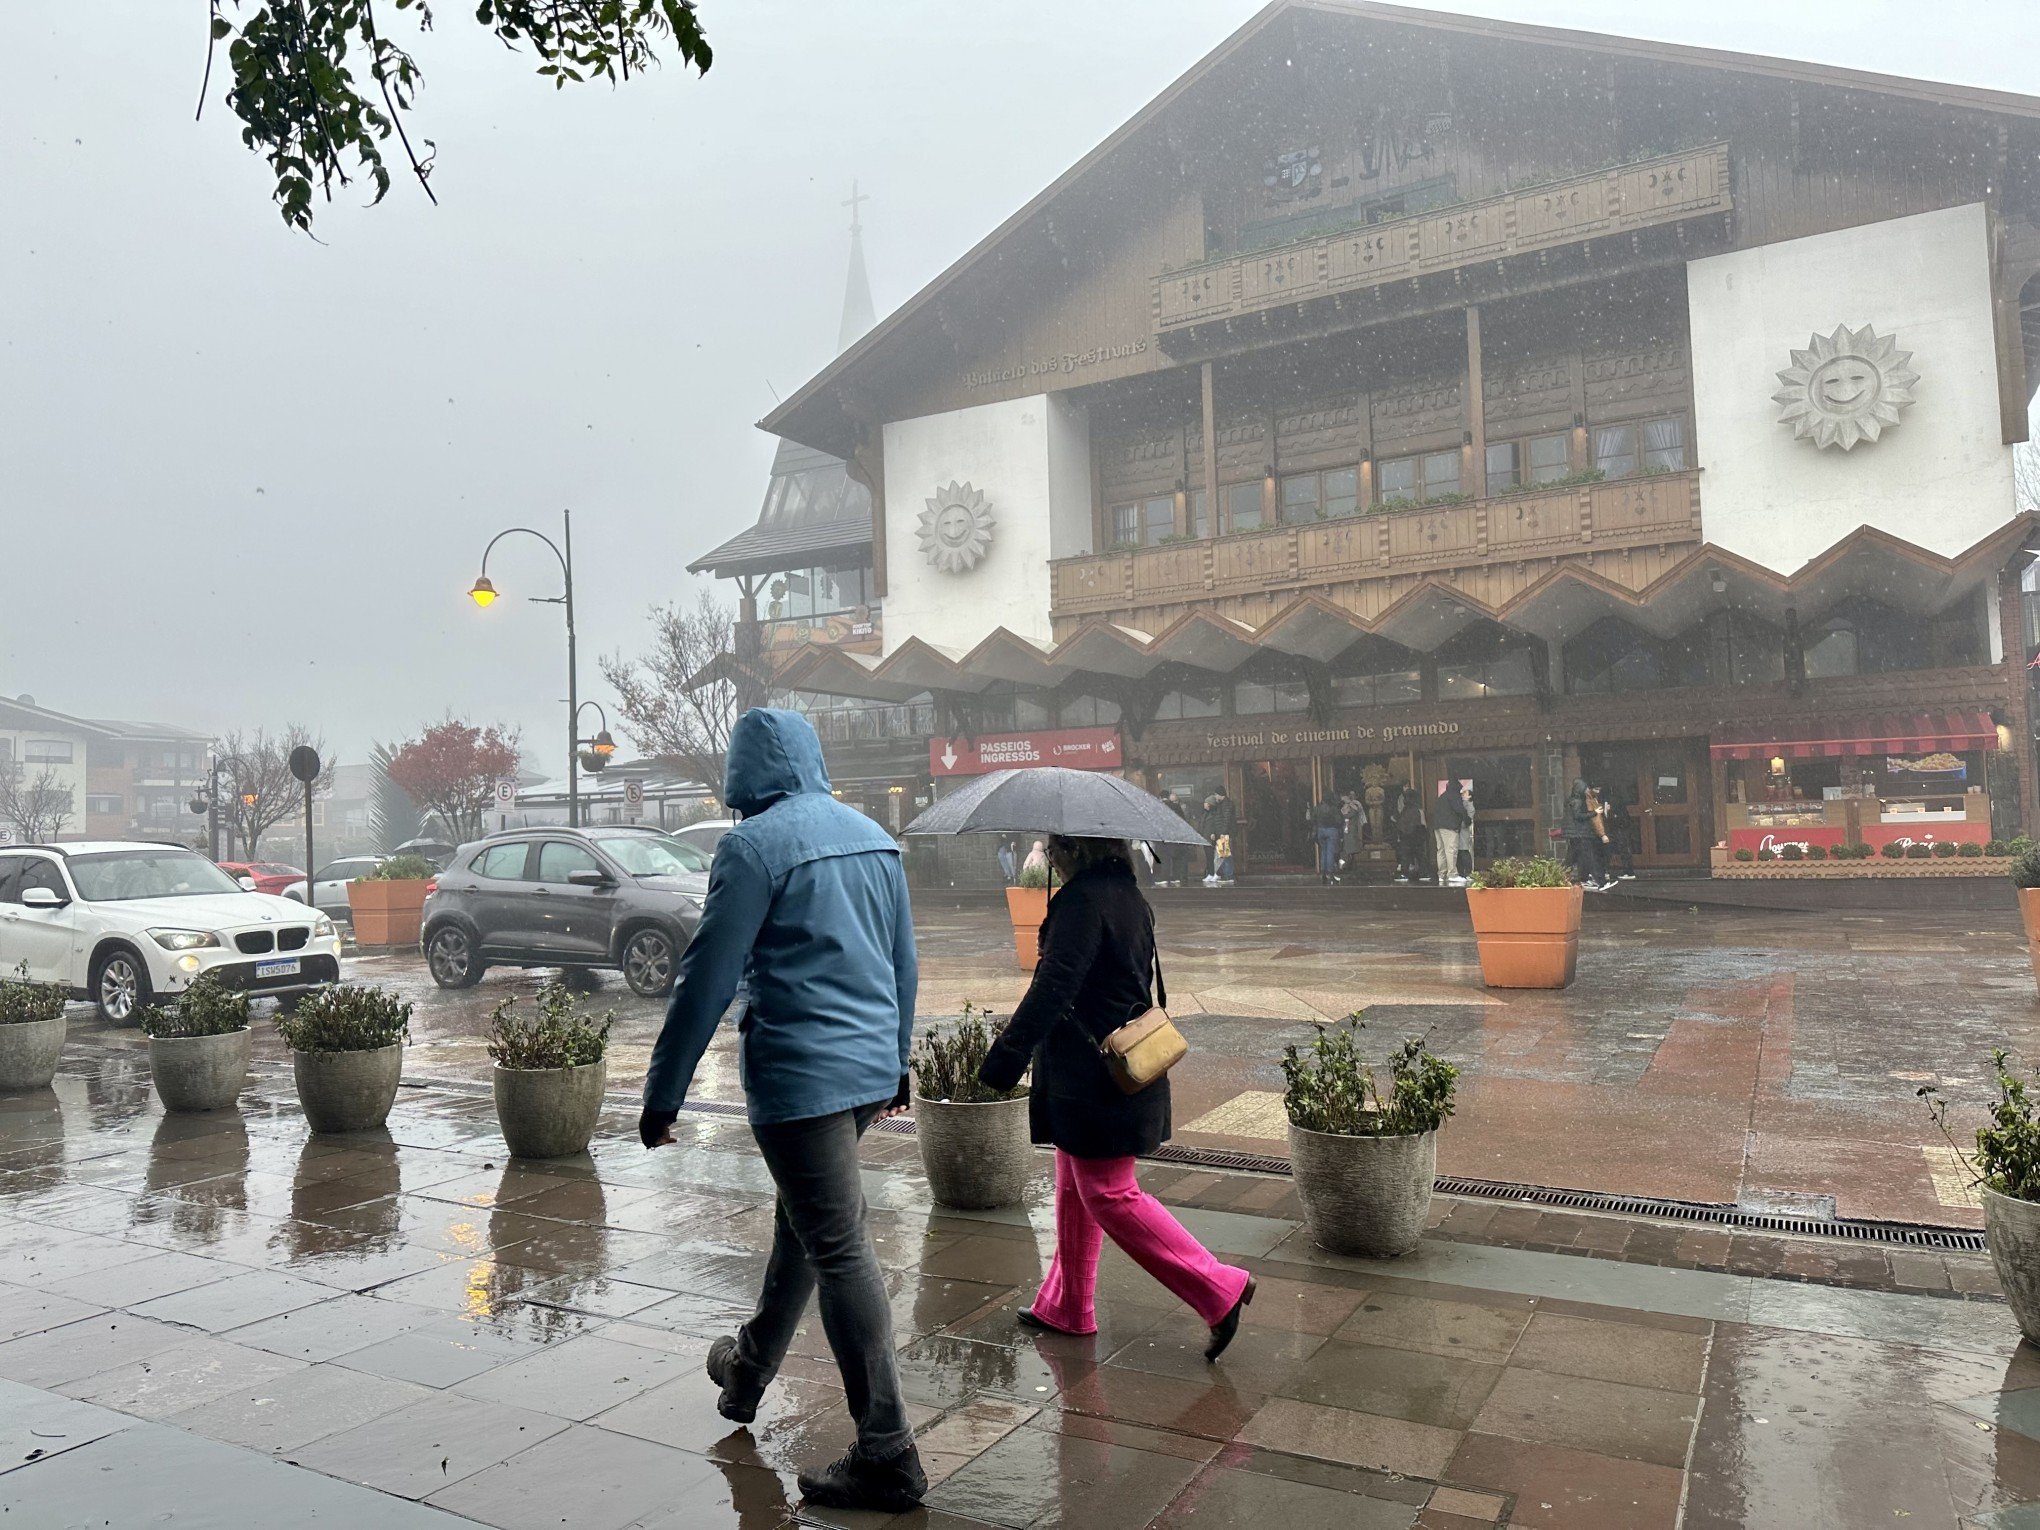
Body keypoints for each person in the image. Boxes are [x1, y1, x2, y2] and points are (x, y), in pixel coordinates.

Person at [638, 708, 926, 1515]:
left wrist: (664, 1095)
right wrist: (895, 1059)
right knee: (806, 1222)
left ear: (744, 778)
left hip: (800, 1079)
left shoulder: (750, 847)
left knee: (836, 1243)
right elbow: (903, 960)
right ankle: (749, 1369)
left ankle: (889, 1452)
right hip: (867, 1070)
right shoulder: (874, 835)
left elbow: (707, 977)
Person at [976, 834, 1256, 1360]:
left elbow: (1054, 985)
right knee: (1072, 1187)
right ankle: (1068, 1305)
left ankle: (1219, 1287)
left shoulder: (1083, 901)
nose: (1049, 851)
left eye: (1058, 843)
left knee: (1107, 1193)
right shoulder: (1125, 895)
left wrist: (1004, 1059)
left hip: (1094, 1075)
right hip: (1105, 1066)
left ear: (1081, 847)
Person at [1433, 779, 1470, 887]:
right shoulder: (1454, 795)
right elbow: (1460, 809)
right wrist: (1467, 819)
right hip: (1449, 826)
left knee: (1441, 850)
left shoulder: (1442, 797)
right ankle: (1452, 874)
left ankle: (1442, 874)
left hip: (1437, 826)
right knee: (1451, 849)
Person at [1202, 789, 1237, 886]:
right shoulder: (1222, 804)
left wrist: (1223, 832)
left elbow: (1226, 820)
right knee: (1223, 854)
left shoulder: (1225, 805)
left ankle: (1228, 876)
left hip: (1223, 834)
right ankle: (1226, 875)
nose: (1215, 797)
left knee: (1225, 855)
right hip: (1221, 833)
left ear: (1220, 794)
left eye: (1216, 794)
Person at [1392, 785, 1426, 883]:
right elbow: (1421, 823)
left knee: (1405, 855)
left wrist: (1402, 833)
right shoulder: (1417, 809)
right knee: (1420, 854)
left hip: (1407, 835)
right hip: (1417, 833)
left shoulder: (1406, 810)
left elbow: (1402, 823)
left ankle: (1405, 873)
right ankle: (1424, 872)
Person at [1309, 795, 1344, 883]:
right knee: (1330, 852)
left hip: (1320, 830)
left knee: (1323, 851)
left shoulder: (1317, 808)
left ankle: (1323, 871)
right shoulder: (1334, 809)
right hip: (1331, 830)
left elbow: (1313, 820)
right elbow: (1339, 821)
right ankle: (1329, 872)